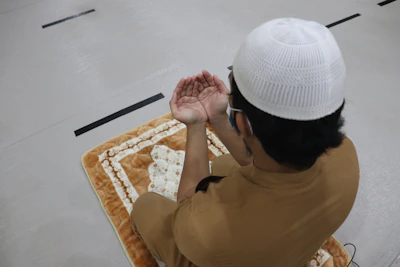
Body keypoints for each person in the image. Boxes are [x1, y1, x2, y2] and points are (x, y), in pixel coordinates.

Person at [131, 18, 359, 267]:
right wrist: (219, 118)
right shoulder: (347, 156)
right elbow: (270, 155)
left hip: (226, 250)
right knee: (222, 164)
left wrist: (197, 125)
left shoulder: (208, 231)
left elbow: (188, 214)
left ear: (244, 123)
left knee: (147, 207)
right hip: (293, 244)